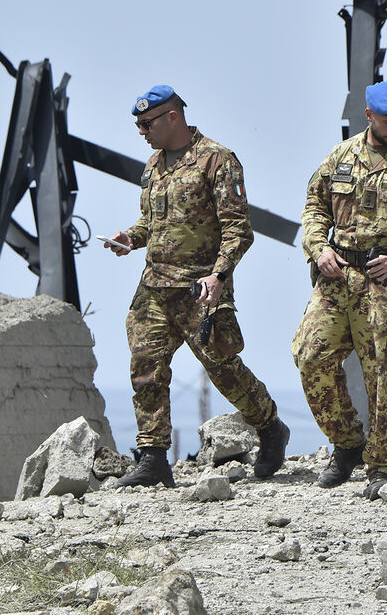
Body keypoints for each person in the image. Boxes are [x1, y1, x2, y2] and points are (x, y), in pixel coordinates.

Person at [107, 86, 288, 486]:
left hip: (200, 289)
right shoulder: (154, 165)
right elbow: (151, 222)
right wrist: (130, 238)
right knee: (145, 368)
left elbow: (238, 230)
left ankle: (270, 426)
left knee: (223, 369)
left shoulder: (217, 160)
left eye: (146, 124)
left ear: (172, 117)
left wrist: (219, 276)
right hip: (154, 288)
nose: (141, 132)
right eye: (138, 126)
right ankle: (153, 458)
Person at [292, 81, 387, 499]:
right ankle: (347, 443)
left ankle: (381, 466)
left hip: (384, 281)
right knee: (310, 355)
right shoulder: (340, 157)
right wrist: (319, 248)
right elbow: (314, 207)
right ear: (369, 116)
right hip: (337, 276)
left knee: (383, 370)